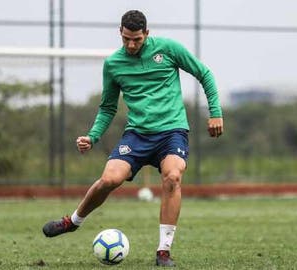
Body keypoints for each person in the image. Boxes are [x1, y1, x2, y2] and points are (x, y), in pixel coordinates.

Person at [42, 9, 223, 267]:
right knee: (109, 179)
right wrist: (92, 136)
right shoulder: (113, 64)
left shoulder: (168, 49)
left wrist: (215, 113)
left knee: (173, 176)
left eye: (136, 39)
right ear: (120, 33)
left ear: (146, 34)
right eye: (126, 38)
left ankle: (163, 251)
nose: (131, 44)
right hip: (137, 135)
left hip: (172, 131)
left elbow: (204, 73)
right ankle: (73, 221)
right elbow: (107, 107)